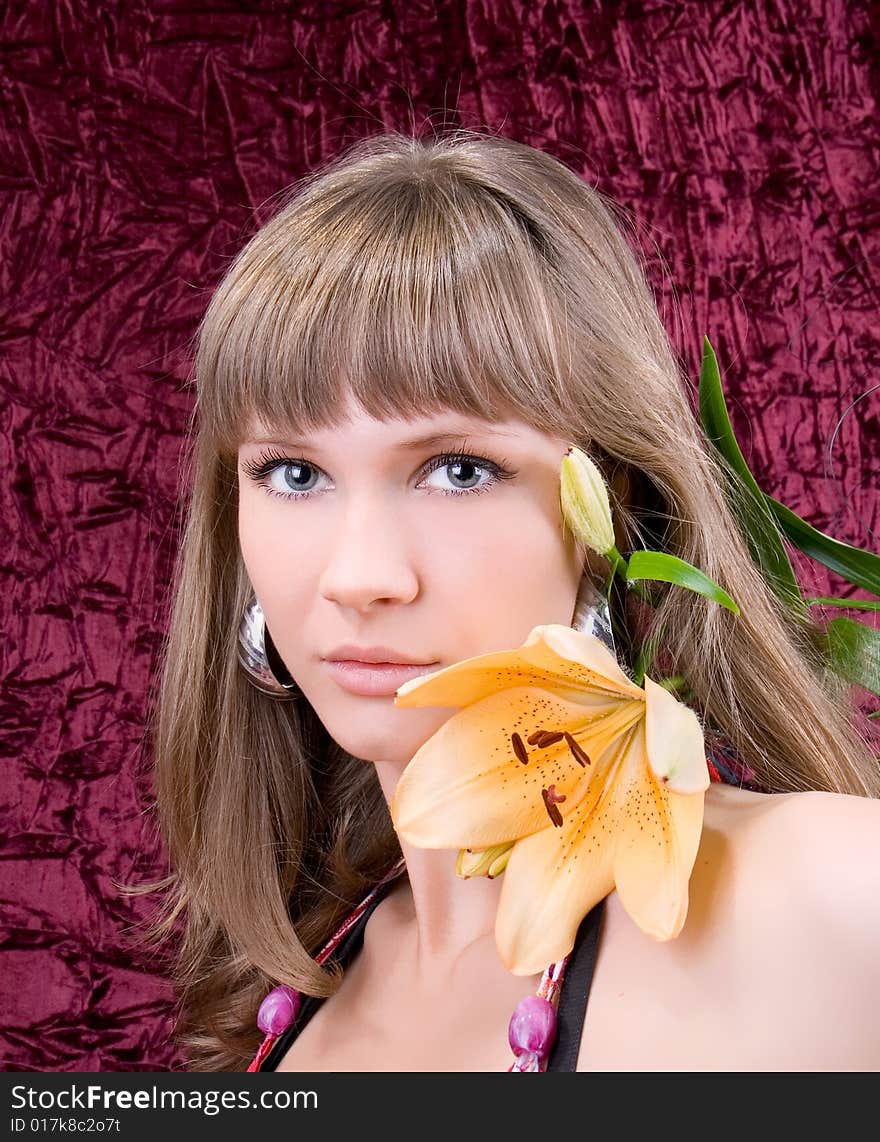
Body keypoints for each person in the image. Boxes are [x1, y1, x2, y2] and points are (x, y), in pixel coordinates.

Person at [149, 128, 880, 1073]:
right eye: (293, 472)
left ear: (606, 501)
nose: (359, 575)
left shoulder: (827, 893)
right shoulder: (297, 999)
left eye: (457, 470)